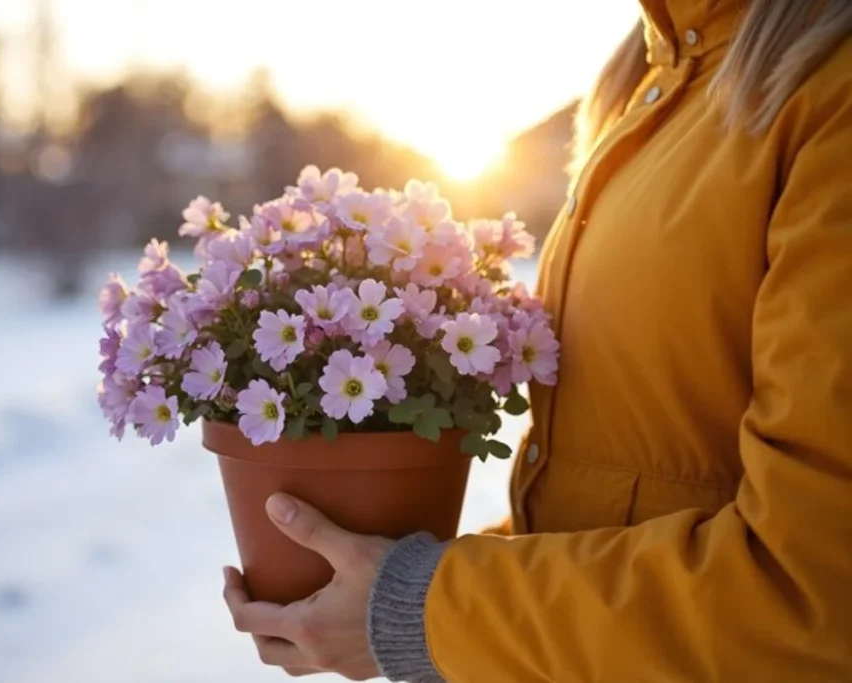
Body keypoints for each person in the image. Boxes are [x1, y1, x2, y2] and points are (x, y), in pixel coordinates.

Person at [222, 0, 852, 679]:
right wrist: (393, 586)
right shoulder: (650, 78)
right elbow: (617, 494)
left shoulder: (828, 90)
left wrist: (423, 606)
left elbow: (813, 590)